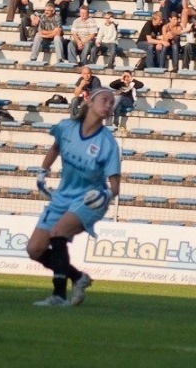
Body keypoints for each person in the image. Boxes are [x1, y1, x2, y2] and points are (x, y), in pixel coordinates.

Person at [26, 88, 121, 307]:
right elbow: (55, 148)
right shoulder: (66, 128)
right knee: (35, 249)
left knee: (57, 233)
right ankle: (78, 277)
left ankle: (58, 296)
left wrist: (105, 194)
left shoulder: (108, 143)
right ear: (89, 101)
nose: (109, 105)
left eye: (112, 103)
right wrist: (43, 171)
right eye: (105, 100)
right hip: (63, 196)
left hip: (89, 200)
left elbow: (115, 186)